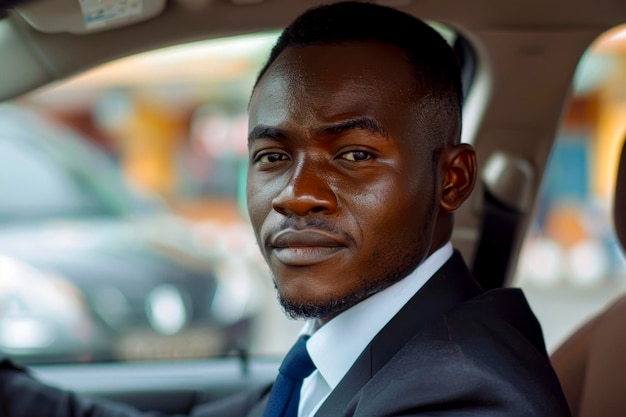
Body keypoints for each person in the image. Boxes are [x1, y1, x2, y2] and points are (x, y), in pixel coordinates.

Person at [0, 1, 571, 416]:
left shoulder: (462, 397)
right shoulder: (345, 355)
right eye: (272, 154)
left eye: (353, 154)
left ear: (452, 179)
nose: (296, 194)